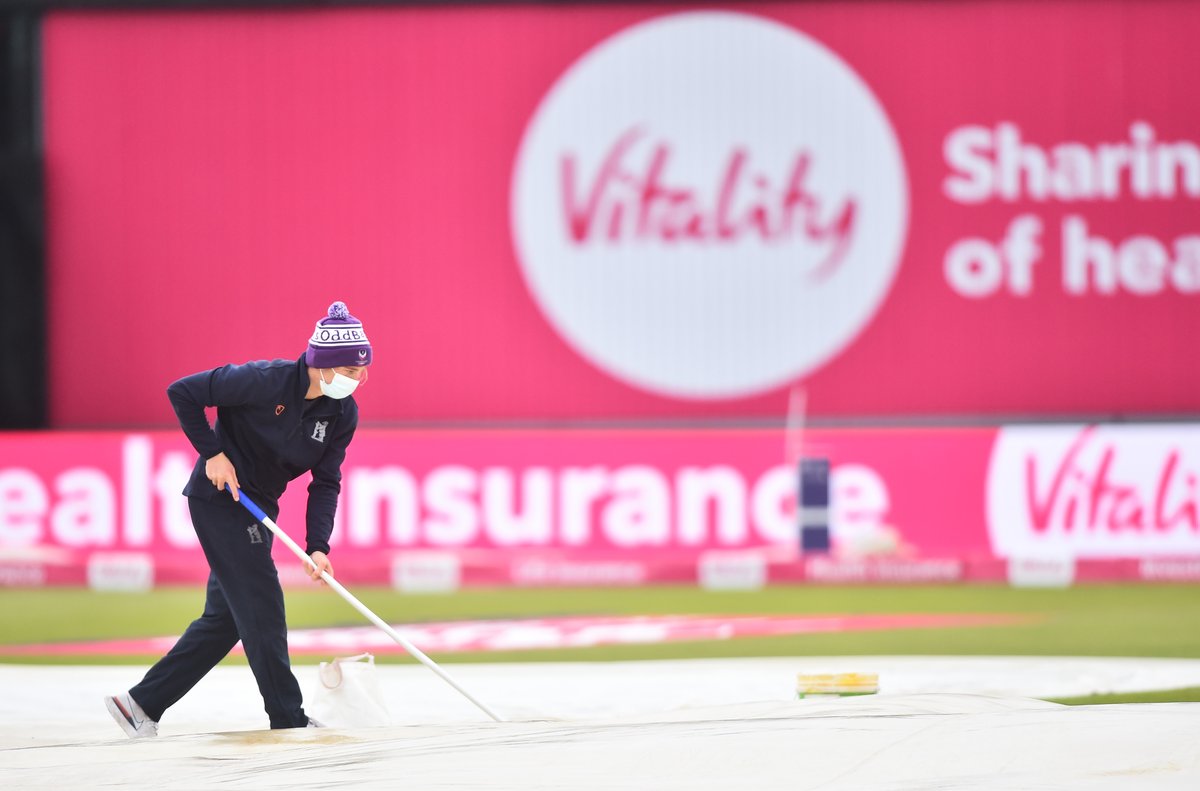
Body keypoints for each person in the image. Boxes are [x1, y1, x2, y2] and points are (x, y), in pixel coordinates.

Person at [104, 301, 372, 737]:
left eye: (363, 370)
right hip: (219, 499)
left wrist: (318, 546)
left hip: (260, 507)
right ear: (321, 365)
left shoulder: (342, 412)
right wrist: (213, 454)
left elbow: (326, 482)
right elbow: (183, 392)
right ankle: (288, 719)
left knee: (226, 621)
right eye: (350, 370)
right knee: (263, 604)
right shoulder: (263, 380)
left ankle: (139, 705)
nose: (359, 379)